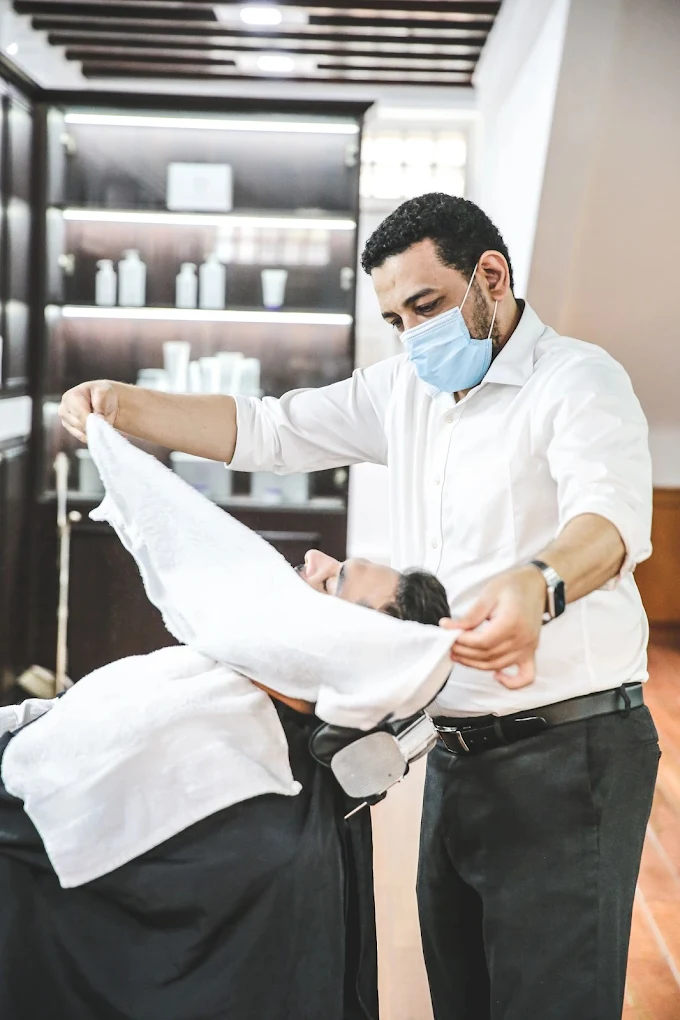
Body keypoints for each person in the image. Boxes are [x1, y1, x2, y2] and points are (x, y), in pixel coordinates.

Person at [59, 192, 658, 1020]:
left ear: (491, 275)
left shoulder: (578, 380)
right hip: (453, 748)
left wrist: (539, 582)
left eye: (426, 306)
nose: (413, 334)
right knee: (464, 999)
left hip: (571, 748)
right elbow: (269, 430)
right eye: (395, 318)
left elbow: (611, 517)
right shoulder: (404, 387)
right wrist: (124, 407)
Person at [0, 547, 450, 1020]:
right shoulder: (218, 674)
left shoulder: (239, 772)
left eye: (333, 581)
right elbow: (64, 717)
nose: (314, 558)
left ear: (344, 656)